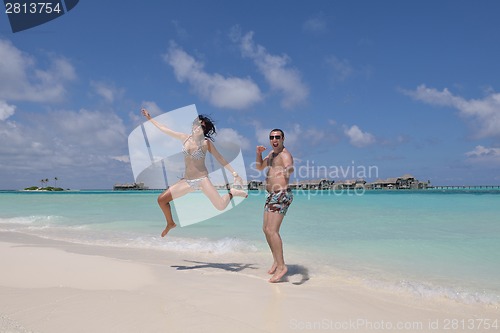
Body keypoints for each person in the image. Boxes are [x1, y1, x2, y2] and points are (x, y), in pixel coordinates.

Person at [141, 108, 247, 237]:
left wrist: (235, 174)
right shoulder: (184, 138)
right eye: (197, 125)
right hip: (187, 180)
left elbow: (220, 158)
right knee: (161, 200)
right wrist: (150, 118)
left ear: (205, 130)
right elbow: (164, 129)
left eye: (201, 127)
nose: (198, 128)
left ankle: (232, 193)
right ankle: (170, 223)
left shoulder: (206, 143)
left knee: (220, 206)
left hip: (202, 179)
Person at [255, 129, 294, 283]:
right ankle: (277, 261)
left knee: (273, 231)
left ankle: (282, 266)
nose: (274, 139)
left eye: (277, 137)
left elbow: (290, 166)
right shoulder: (271, 155)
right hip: (271, 195)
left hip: (281, 195)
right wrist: (258, 153)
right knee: (266, 229)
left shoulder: (285, 155)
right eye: (271, 137)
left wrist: (287, 170)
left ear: (283, 138)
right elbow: (259, 167)